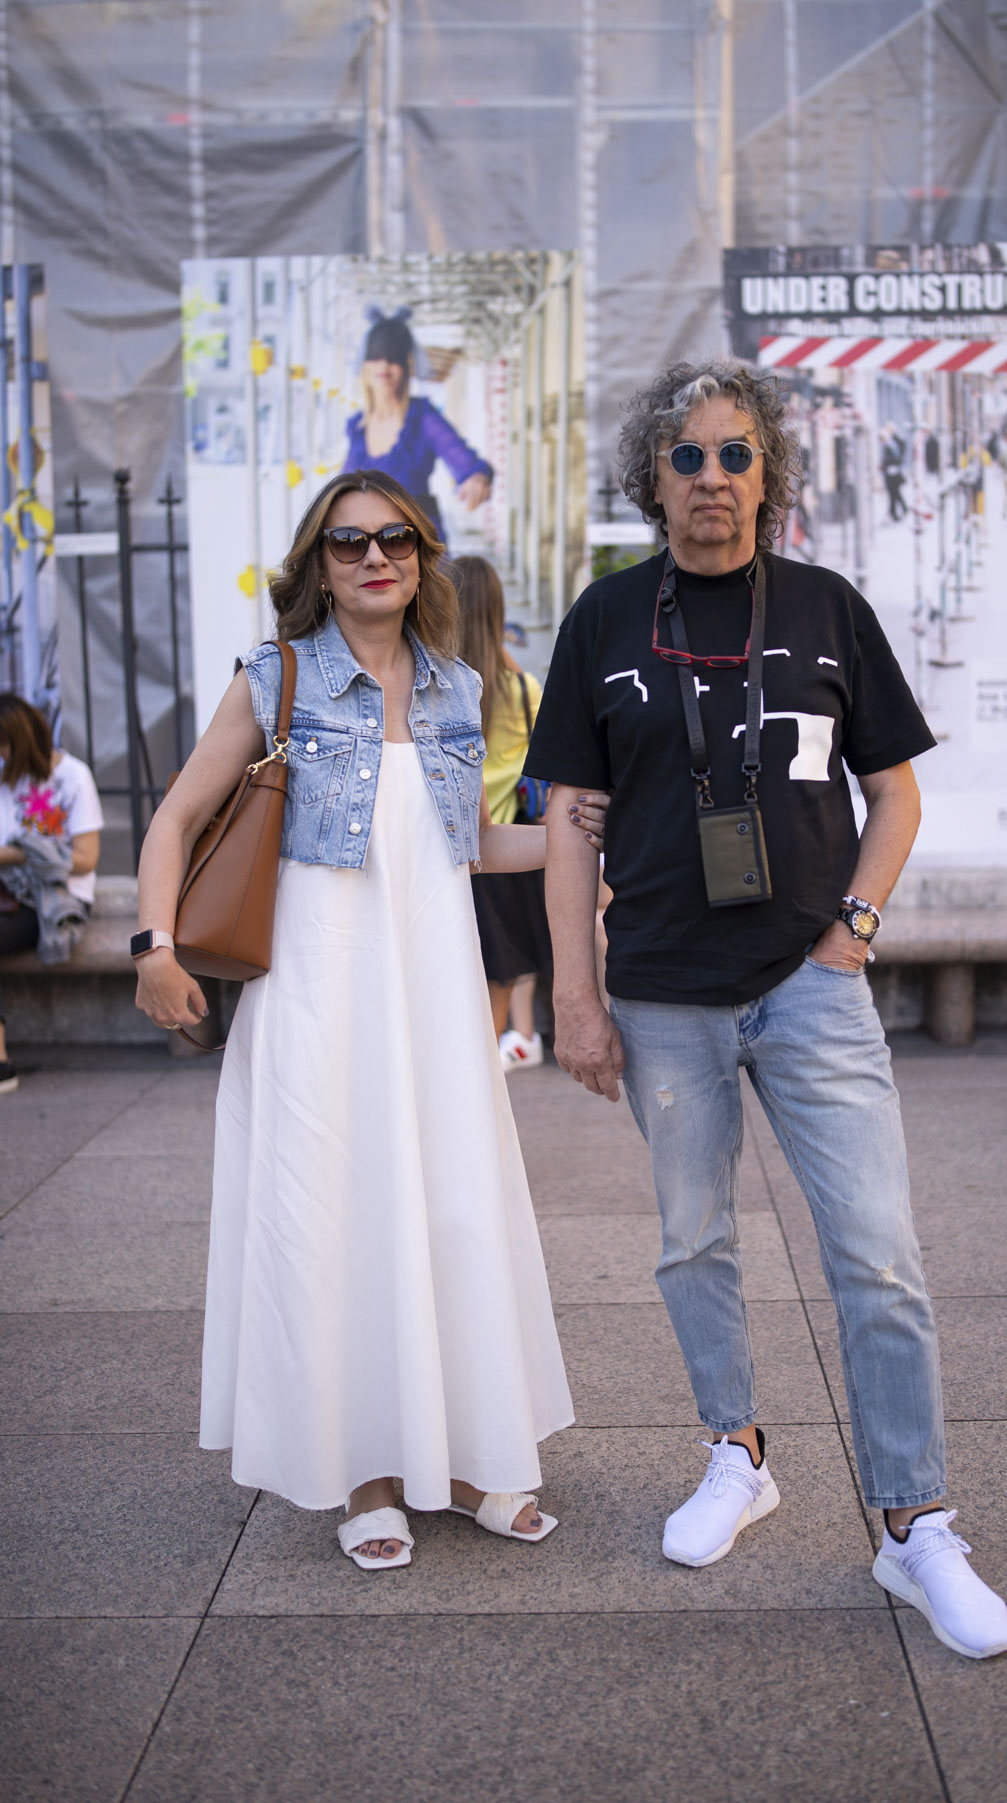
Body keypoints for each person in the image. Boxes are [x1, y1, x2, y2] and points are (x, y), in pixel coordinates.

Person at [526, 357, 1007, 1660]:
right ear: (653, 477)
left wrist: (855, 929)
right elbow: (569, 820)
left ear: (769, 474)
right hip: (660, 992)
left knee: (878, 1254)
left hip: (808, 983)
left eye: (736, 454)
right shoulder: (605, 620)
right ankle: (736, 1454)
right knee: (693, 1242)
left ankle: (914, 1523)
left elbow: (894, 790)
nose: (713, 478)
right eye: (687, 456)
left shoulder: (827, 607)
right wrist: (574, 992)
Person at [133, 471, 601, 1571]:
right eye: (348, 543)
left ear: (423, 555)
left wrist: (588, 842)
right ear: (319, 564)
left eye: (395, 538)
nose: (374, 557)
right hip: (319, 985)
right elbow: (177, 816)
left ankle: (472, 1456)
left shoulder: (455, 687)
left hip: (432, 984)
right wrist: (153, 946)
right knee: (331, 1216)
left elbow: (465, 840)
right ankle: (366, 1474)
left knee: (455, 1207)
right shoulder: (275, 676)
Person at [455, 553, 557, 1071]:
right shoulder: (521, 689)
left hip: (454, 850)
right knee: (502, 970)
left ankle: (468, 1069)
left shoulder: (439, 689)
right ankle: (489, 1065)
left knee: (460, 973)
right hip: (507, 850)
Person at [0, 694, 103, 1095]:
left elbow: (86, 859)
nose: (2, 755)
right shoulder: (7, 776)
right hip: (11, 894)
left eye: (4, 746)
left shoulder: (73, 776)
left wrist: (20, 853)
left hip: (53, 898)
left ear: (21, 740)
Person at [342, 309, 493, 545]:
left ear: (406, 366)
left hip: (416, 544)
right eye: (376, 356)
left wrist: (477, 478)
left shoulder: (422, 418)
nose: (384, 365)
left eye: (393, 358)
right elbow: (343, 491)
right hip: (369, 547)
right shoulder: (358, 428)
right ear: (365, 366)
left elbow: (465, 460)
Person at [879, 422, 907, 521]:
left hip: (893, 474)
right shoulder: (891, 444)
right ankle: (895, 512)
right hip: (892, 473)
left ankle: (895, 512)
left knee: (894, 493)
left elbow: (896, 459)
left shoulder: (892, 444)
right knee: (894, 493)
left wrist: (885, 465)